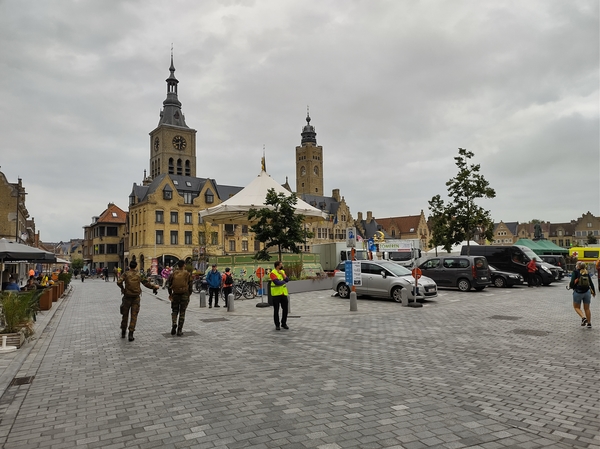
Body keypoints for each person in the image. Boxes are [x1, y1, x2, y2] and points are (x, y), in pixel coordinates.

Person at [117, 261, 159, 341]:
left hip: (127, 297)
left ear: (129, 266)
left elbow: (119, 282)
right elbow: (146, 283)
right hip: (136, 297)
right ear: (136, 266)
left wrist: (123, 289)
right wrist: (154, 287)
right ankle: (131, 334)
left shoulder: (125, 274)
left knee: (125, 315)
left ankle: (123, 332)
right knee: (134, 316)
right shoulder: (139, 274)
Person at [167, 260, 192, 336]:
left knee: (174, 311)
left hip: (175, 295)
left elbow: (169, 285)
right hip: (184, 295)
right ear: (184, 265)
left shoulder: (173, 274)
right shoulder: (187, 274)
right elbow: (190, 286)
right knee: (182, 312)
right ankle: (179, 330)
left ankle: (174, 323)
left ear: (177, 266)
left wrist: (170, 294)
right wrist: (188, 294)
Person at [570, 261, 596, 329]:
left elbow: (572, 284)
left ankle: (583, 318)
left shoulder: (575, 272)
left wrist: (572, 285)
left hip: (578, 292)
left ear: (578, 266)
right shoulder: (586, 272)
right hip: (587, 292)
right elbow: (591, 283)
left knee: (576, 307)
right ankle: (589, 323)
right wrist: (593, 292)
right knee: (587, 308)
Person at [269, 260, 290, 331]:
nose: (282, 266)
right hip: (276, 294)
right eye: (281, 265)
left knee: (285, 309)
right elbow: (276, 282)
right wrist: (284, 281)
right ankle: (277, 325)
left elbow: (287, 279)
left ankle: (284, 323)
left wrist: (283, 274)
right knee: (276, 310)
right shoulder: (272, 273)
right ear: (277, 266)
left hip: (283, 293)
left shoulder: (282, 272)